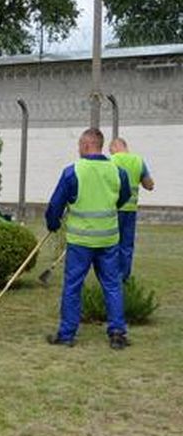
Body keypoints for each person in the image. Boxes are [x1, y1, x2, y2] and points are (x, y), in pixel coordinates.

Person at [45, 128, 132, 349]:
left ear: (86, 145)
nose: (78, 149)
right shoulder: (117, 171)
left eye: (79, 145)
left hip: (80, 242)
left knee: (73, 286)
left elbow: (56, 204)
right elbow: (124, 198)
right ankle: (117, 333)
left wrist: (53, 223)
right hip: (109, 240)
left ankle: (67, 335)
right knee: (112, 286)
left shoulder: (72, 172)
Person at [109, 137, 155, 282]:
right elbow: (149, 185)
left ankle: (112, 275)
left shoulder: (111, 161)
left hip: (115, 209)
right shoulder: (138, 161)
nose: (111, 152)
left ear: (115, 147)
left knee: (112, 243)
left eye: (111, 150)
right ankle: (124, 276)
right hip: (131, 210)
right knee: (127, 245)